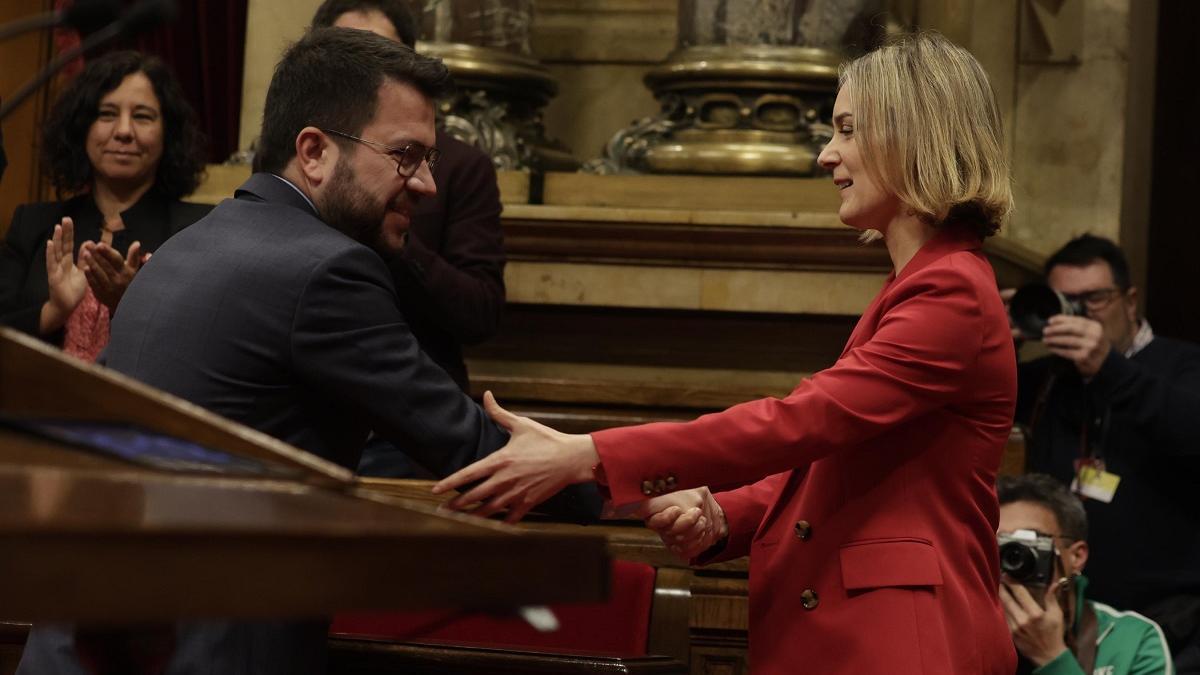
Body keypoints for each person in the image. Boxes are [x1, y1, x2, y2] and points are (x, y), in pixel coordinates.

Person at [435, 32, 1018, 674]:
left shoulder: (951, 290)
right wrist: (721, 513)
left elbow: (800, 423)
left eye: (847, 130)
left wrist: (585, 455)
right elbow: (840, 463)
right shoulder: (926, 281)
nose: (827, 155)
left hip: (903, 645)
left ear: (916, 136)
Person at [16, 28, 592, 675]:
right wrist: (615, 478)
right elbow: (462, 443)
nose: (427, 183)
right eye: (407, 155)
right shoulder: (327, 268)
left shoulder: (190, 244)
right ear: (313, 152)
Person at [1012, 234, 1200, 670]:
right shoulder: (1043, 380)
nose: (1080, 312)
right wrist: (998, 346)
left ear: (1130, 301)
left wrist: (1109, 369)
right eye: (1065, 301)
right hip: (1057, 618)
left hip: (1169, 620)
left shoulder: (1183, 366)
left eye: (1094, 298)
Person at [311, 0, 505, 411]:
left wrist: (386, 223)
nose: (364, 78)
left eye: (381, 59)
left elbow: (479, 313)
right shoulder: (304, 154)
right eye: (347, 60)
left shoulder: (458, 167)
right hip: (310, 394)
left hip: (411, 406)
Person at [0, 51, 209, 361]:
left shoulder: (200, 231)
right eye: (107, 114)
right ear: (81, 128)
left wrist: (129, 303)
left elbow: (207, 347)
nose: (124, 131)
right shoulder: (32, 224)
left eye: (142, 116)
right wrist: (52, 313)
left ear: (168, 133)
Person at [997, 473, 1172, 675]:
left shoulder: (1133, 640)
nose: (1014, 559)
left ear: (1076, 556)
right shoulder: (969, 633)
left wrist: (1051, 657)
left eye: (1030, 542)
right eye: (1002, 546)